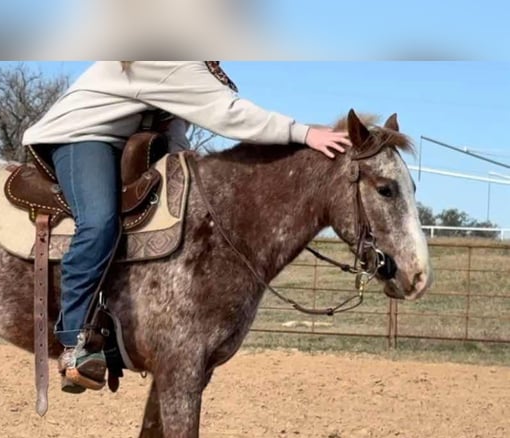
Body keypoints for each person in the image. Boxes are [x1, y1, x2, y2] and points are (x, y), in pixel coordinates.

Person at [22, 61, 350, 393]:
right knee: (99, 222)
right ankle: (74, 340)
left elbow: (172, 125)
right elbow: (227, 112)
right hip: (82, 135)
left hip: (125, 142)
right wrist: (304, 132)